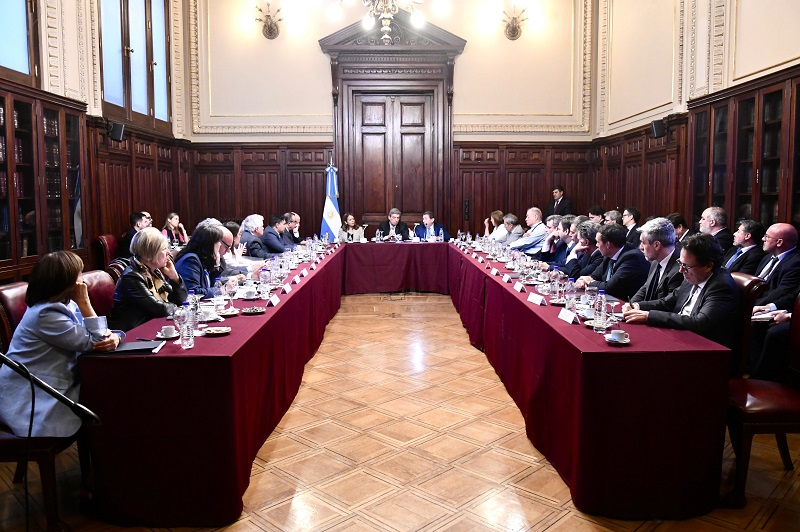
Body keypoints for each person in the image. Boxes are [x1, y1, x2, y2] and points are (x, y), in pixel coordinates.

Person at [0, 251, 120, 437]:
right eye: (78, 276)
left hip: (56, 384)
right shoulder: (45, 315)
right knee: (110, 400)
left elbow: (99, 335)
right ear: (63, 282)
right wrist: (85, 303)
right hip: (34, 398)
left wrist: (117, 337)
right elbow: (99, 340)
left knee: (111, 397)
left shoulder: (63, 305)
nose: (82, 281)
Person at [622, 234, 741, 349]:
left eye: (686, 266)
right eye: (680, 263)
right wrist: (637, 306)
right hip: (678, 335)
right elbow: (666, 302)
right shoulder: (693, 276)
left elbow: (699, 322)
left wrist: (649, 316)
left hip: (703, 348)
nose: (680, 270)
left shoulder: (721, 286)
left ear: (708, 266)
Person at [109, 227, 189, 331]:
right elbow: (159, 309)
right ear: (151, 252)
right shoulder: (132, 277)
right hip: (131, 337)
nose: (168, 252)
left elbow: (181, 300)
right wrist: (177, 308)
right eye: (164, 249)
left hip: (150, 329)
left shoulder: (154, 271)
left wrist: (174, 278)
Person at [575, 223, 649, 300]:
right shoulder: (609, 254)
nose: (596, 245)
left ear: (608, 245)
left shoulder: (632, 258)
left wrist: (589, 282)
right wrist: (584, 280)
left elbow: (608, 288)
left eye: (598, 242)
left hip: (625, 304)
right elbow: (594, 276)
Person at [630, 217, 683, 303]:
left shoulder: (680, 269)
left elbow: (667, 304)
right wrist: (631, 305)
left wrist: (638, 306)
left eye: (643, 243)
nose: (640, 247)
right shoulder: (655, 261)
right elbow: (645, 288)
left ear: (656, 245)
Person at [751, 223, 800, 313]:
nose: (763, 239)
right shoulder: (767, 257)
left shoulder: (795, 263)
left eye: (767, 236)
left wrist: (749, 304)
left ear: (779, 242)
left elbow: (782, 293)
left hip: (765, 309)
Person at [174, 223, 225, 298]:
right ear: (209, 244)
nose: (220, 244)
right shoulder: (191, 260)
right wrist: (219, 290)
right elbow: (193, 292)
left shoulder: (202, 259)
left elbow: (211, 285)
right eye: (218, 241)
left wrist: (216, 266)